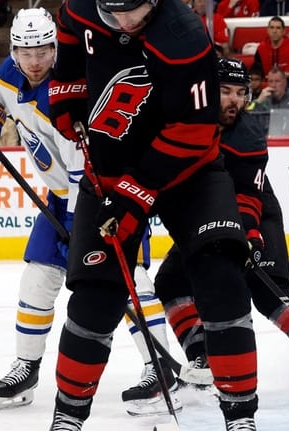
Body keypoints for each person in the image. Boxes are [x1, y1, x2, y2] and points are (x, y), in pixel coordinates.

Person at [47, 1, 258, 430]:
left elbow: (195, 131)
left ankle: (240, 415)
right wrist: (66, 87)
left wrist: (135, 194)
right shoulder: (83, 6)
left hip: (189, 170)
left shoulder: (183, 35)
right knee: (93, 297)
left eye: (135, 11)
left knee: (221, 278)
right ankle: (67, 417)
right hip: (108, 170)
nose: (124, 22)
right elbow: (67, 30)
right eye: (115, 12)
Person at [0, 7, 179, 416]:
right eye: (25, 53)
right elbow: (0, 90)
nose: (34, 62)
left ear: (55, 48)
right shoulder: (13, 71)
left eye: (43, 51)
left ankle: (160, 368)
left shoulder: (69, 88)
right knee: (38, 279)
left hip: (105, 196)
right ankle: (26, 367)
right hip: (61, 196)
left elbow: (85, 163)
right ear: (13, 51)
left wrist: (84, 222)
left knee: (129, 280)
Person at [156, 58, 289, 399]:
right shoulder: (187, 120)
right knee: (170, 281)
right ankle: (203, 358)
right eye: (224, 91)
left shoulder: (246, 135)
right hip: (208, 218)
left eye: (240, 93)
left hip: (255, 213)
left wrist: (249, 236)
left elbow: (247, 195)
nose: (233, 100)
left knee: (266, 288)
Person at [251, 16, 289, 91]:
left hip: (288, 83)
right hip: (267, 83)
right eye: (272, 28)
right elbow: (256, 70)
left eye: (278, 28)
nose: (274, 31)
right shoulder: (261, 48)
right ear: (268, 30)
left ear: (284, 31)